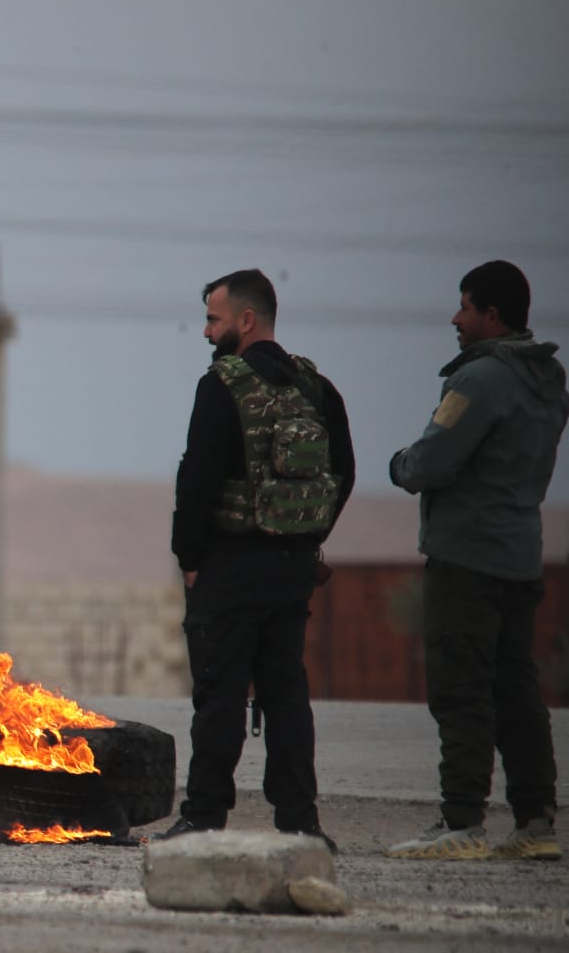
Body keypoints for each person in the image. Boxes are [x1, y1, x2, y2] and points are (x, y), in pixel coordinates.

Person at [159, 269, 354, 852]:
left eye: (213, 319)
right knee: (286, 693)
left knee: (219, 696)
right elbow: (343, 473)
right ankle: (300, 823)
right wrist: (306, 536)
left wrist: (190, 559)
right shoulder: (316, 387)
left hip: (231, 566)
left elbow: (196, 481)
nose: (205, 332)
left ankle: (203, 819)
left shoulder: (222, 386)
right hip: (292, 568)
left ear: (246, 321)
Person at [385, 260, 568, 861]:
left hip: (466, 559)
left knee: (461, 690)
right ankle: (536, 823)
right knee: (517, 692)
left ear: (492, 315)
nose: (455, 318)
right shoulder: (548, 382)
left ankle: (462, 822)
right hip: (520, 557)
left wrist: (399, 464)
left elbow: (431, 461)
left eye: (465, 307)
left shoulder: (481, 380)